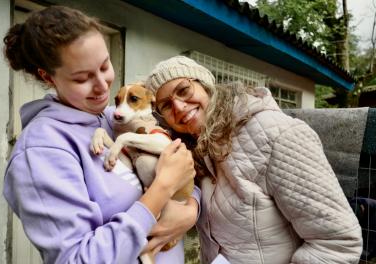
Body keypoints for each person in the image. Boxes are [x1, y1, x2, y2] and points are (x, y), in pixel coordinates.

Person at [2, 6, 199, 263]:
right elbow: (77, 259)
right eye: (82, 78)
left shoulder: (111, 118)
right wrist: (161, 190)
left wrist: (190, 210)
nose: (102, 85)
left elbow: (185, 171)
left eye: (105, 66)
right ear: (47, 77)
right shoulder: (40, 151)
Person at [145, 55, 363, 264]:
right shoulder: (196, 151)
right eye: (166, 105)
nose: (179, 107)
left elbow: (339, 243)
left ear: (205, 85)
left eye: (184, 90)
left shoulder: (274, 134)